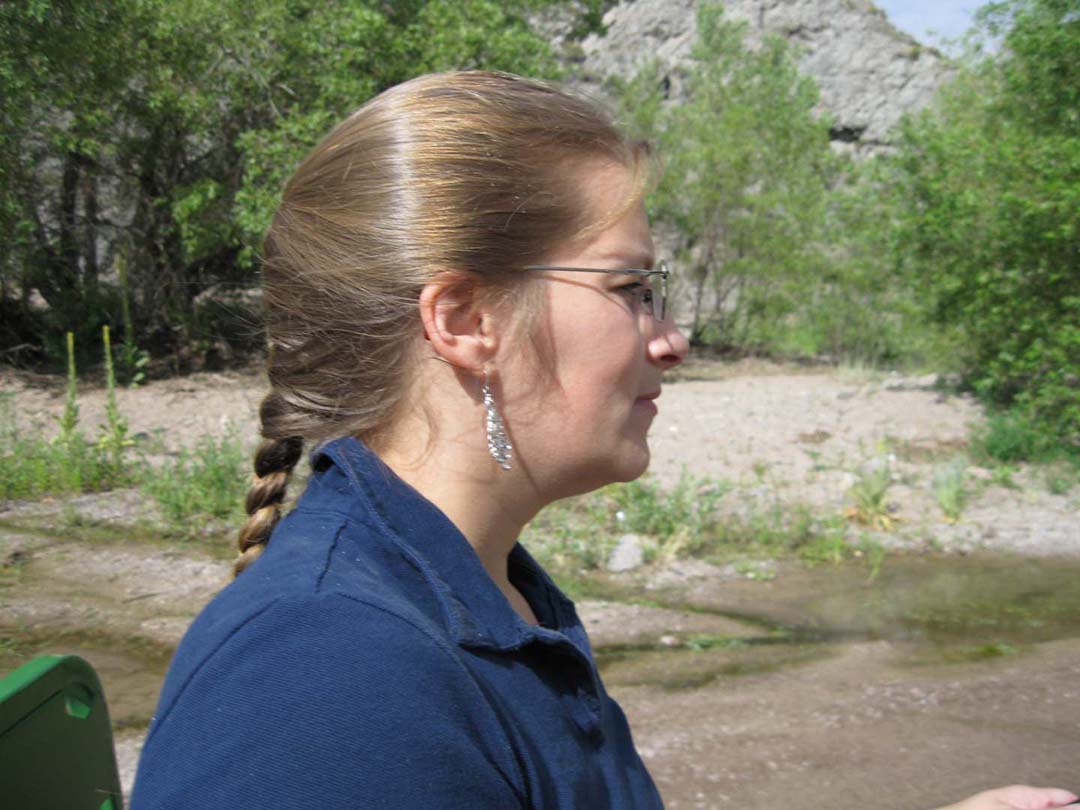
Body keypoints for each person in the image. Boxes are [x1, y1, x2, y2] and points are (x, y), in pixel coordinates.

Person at [129, 71, 1076, 810]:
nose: (672, 337)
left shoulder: (475, 587)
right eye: (630, 290)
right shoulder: (331, 675)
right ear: (465, 320)